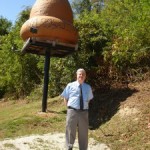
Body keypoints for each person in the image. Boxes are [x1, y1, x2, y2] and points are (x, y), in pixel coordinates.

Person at [61, 68, 94, 150]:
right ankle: (69, 147)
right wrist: (68, 109)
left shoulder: (88, 87)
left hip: (83, 112)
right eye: (80, 74)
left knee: (83, 133)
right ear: (76, 75)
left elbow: (89, 99)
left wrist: (83, 107)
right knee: (70, 131)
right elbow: (65, 97)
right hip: (72, 111)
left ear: (85, 76)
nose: (81, 75)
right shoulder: (70, 85)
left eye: (83, 74)